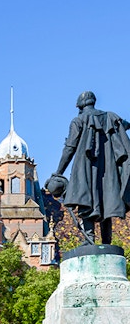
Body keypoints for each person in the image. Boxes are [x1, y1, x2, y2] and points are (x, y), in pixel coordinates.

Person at [52, 91, 130, 244]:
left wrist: (58, 172)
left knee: (85, 198)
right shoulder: (110, 117)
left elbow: (70, 147)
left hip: (85, 167)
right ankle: (106, 242)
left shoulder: (78, 120)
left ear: (80, 106)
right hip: (109, 170)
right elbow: (124, 126)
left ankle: (90, 239)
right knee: (106, 201)